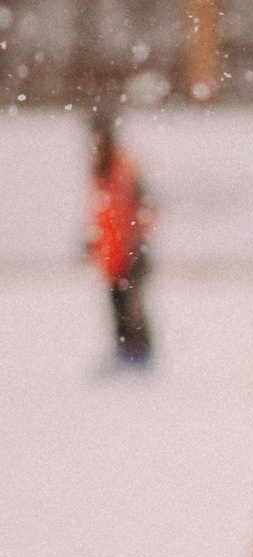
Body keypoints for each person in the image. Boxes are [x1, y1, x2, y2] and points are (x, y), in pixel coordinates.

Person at [87, 105, 154, 374]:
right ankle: (125, 352)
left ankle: (137, 355)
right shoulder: (102, 170)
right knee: (117, 304)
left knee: (131, 305)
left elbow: (141, 207)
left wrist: (135, 243)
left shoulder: (123, 169)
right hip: (112, 253)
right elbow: (102, 215)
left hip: (129, 251)